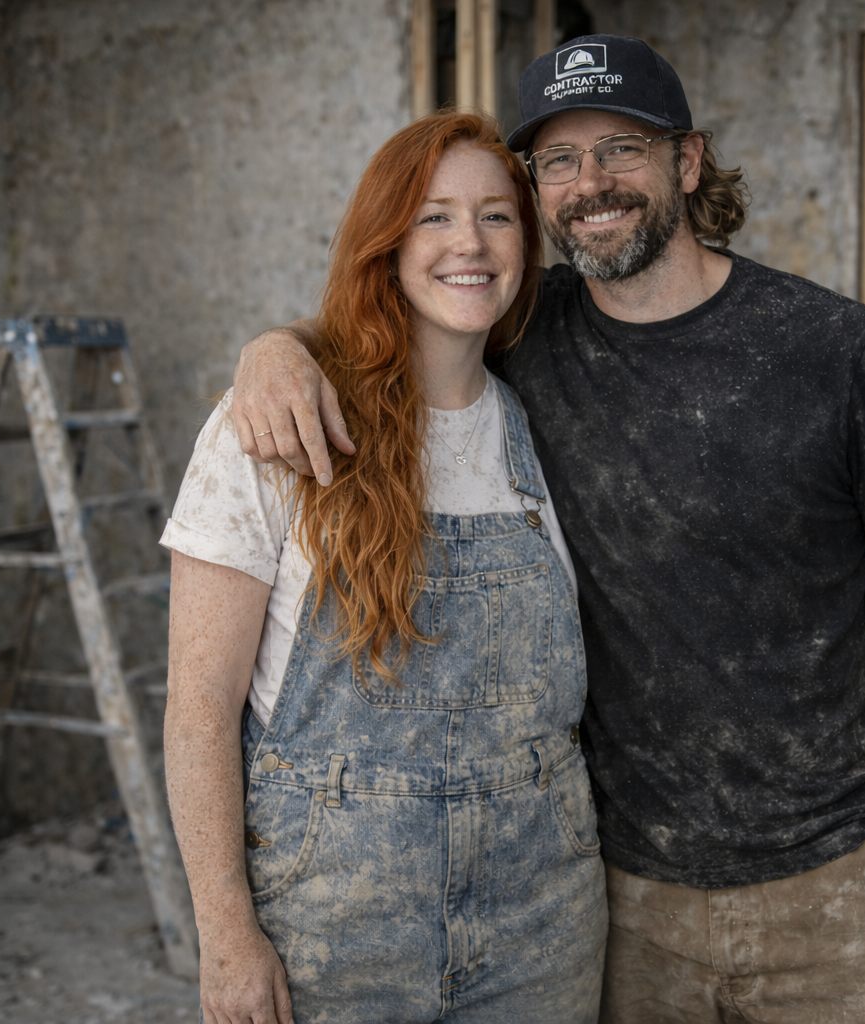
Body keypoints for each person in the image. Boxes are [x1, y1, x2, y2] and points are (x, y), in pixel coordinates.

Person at [230, 35, 865, 1024]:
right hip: (625, 906)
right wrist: (273, 348)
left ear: (687, 159)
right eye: (558, 161)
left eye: (621, 149)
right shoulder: (520, 334)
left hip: (839, 887)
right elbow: (392, 311)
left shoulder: (834, 348)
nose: (592, 183)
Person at [162, 110, 608, 1024]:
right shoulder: (272, 429)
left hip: (540, 923)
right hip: (334, 926)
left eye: (496, 215)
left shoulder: (548, 425)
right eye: (433, 216)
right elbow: (199, 706)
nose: (469, 243)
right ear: (387, 243)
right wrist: (226, 934)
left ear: (527, 239)